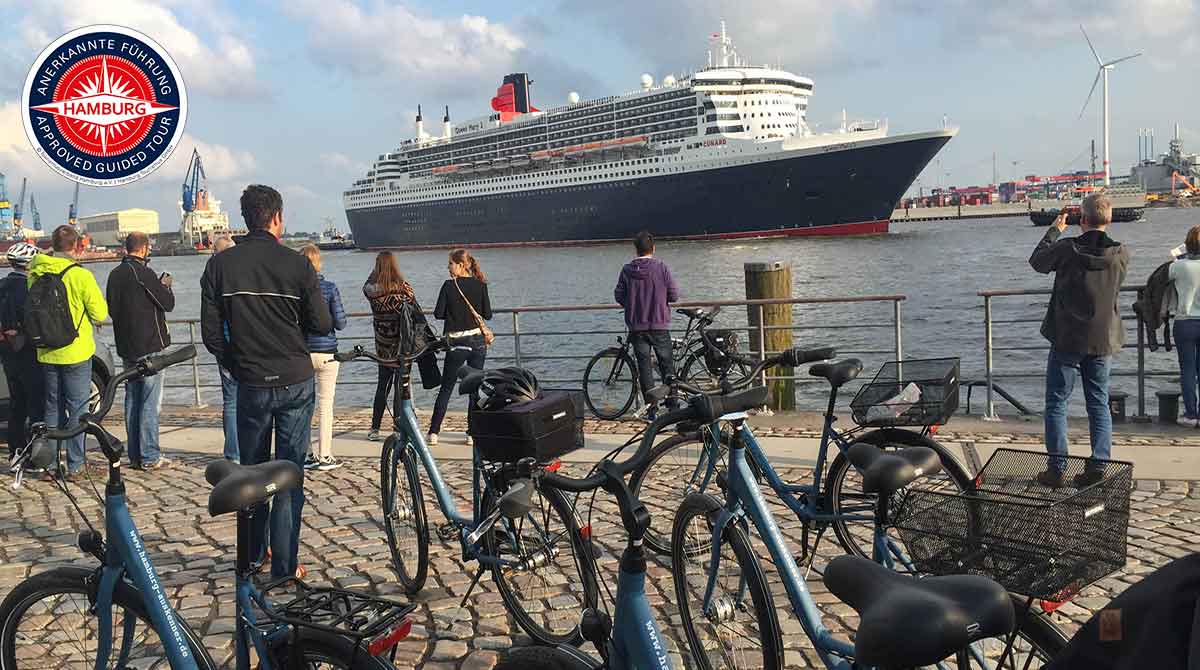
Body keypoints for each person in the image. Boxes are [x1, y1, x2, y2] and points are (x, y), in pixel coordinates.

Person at [200, 185, 332, 580]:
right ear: (277, 218)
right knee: (289, 475)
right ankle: (286, 567)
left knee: (252, 475)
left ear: (245, 219)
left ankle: (253, 557)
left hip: (251, 382)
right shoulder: (297, 265)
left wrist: (234, 362)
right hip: (294, 378)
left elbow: (211, 335)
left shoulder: (221, 265)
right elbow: (322, 323)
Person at [1029, 193, 1129, 488]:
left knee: (1057, 402)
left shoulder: (1067, 249)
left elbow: (1037, 262)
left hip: (1067, 338)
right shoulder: (1121, 253)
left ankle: (1057, 467)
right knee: (1098, 403)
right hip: (1102, 338)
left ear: (1081, 220)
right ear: (1108, 220)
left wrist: (1055, 229)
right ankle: (1098, 465)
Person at [29, 225, 108, 479]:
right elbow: (100, 313)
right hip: (75, 350)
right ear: (76, 246)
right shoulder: (80, 275)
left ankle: (49, 465)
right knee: (77, 408)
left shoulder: (35, 271)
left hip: (47, 350)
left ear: (52, 244)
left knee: (51, 407)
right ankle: (76, 464)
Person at [106, 232, 175, 470]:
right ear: (144, 248)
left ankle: (135, 454)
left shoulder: (114, 275)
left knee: (132, 399)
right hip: (150, 345)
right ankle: (149, 455)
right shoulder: (144, 273)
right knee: (148, 402)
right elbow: (167, 303)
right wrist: (166, 285)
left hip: (126, 346)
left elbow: (112, 310)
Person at [363, 251, 429, 441]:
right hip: (403, 344)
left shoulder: (371, 290)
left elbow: (366, 285)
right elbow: (415, 308)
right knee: (401, 387)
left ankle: (374, 428)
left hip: (382, 345)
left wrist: (376, 272)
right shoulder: (402, 287)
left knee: (382, 386)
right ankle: (398, 426)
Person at [428, 248, 491, 445]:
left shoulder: (448, 286)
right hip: (478, 342)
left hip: (457, 343)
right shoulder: (480, 285)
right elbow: (487, 314)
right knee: (474, 388)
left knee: (446, 388)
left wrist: (452, 312)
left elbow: (438, 313)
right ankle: (472, 433)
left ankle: (434, 432)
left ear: (461, 265)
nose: (448, 268)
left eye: (450, 264)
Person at [614, 231, 679, 415]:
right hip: (659, 324)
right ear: (653, 248)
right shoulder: (661, 267)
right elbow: (674, 295)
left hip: (637, 327)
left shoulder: (627, 270)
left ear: (636, 250)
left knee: (644, 369)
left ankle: (651, 409)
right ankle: (673, 406)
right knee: (667, 365)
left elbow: (619, 295)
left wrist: (632, 304)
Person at [300, 245, 347, 470]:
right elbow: (341, 322)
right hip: (328, 352)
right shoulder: (330, 288)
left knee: (304, 405)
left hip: (303, 353)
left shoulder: (296, 290)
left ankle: (307, 454)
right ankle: (325, 455)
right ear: (319, 263)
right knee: (326, 405)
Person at [0, 243, 44, 460]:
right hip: (29, 349)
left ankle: (15, 449)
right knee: (36, 400)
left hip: (7, 352)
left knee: (17, 402)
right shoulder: (30, 286)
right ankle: (36, 451)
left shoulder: (2, 285)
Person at [211, 235, 239, 460]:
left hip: (224, 345)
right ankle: (246, 449)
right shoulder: (239, 272)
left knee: (230, 401)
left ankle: (232, 453)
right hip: (243, 345)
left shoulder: (211, 273)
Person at [1170, 225, 1200, 427]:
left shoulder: (1178, 267)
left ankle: (1191, 414)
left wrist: (1181, 252)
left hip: (1185, 321)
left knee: (1187, 370)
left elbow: (1167, 273)